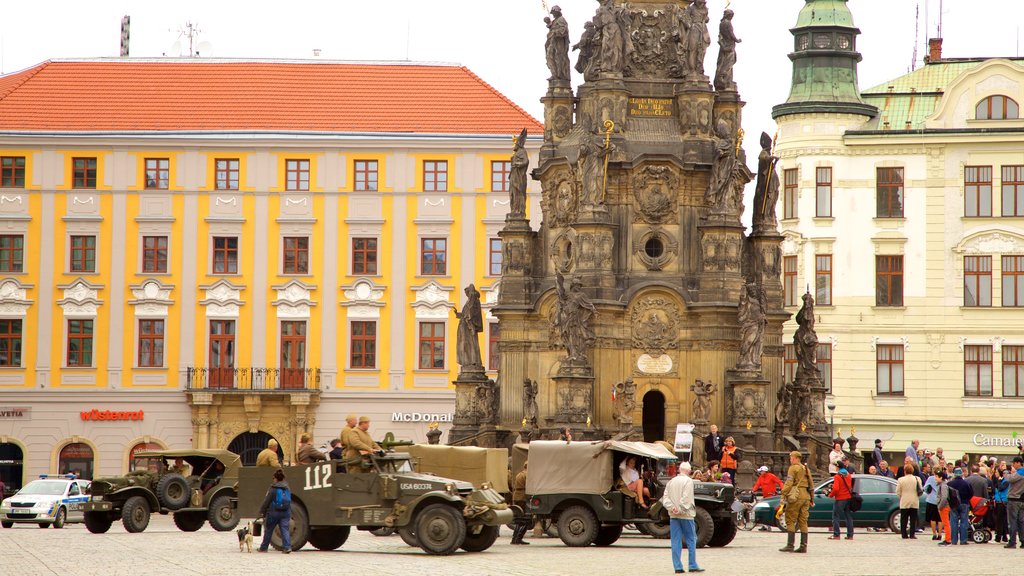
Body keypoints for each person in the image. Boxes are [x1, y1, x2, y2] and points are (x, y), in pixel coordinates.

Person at [662, 461, 704, 574]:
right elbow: (686, 498)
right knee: (691, 539)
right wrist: (680, 508)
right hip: (686, 515)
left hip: (673, 515)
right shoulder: (688, 481)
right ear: (689, 471)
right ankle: (692, 564)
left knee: (675, 541)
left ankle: (677, 566)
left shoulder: (671, 481)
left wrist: (672, 508)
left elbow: (665, 498)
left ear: (679, 470)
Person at [779, 450, 813, 553]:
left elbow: (789, 483)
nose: (790, 460)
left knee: (790, 519)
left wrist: (783, 494)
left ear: (796, 458)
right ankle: (803, 545)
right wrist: (812, 498)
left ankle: (790, 545)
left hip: (796, 495)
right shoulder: (805, 468)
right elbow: (811, 484)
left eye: (791, 458)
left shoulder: (793, 468)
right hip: (806, 496)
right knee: (803, 521)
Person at [257, 469, 292, 554]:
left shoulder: (273, 488)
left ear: (275, 478)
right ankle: (287, 547)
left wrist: (262, 512)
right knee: (284, 529)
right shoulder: (287, 487)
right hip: (285, 512)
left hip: (274, 512)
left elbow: (267, 501)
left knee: (269, 529)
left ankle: (264, 547)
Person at [828, 460, 854, 540]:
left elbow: (836, 488)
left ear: (837, 467)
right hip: (848, 497)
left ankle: (836, 535)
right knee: (848, 516)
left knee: (835, 516)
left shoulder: (837, 476)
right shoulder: (848, 475)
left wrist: (830, 495)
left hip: (840, 498)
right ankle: (850, 535)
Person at [947, 468, 973, 545]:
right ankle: (963, 540)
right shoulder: (966, 483)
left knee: (953, 522)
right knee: (964, 522)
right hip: (964, 503)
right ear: (962, 474)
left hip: (953, 504)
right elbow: (971, 493)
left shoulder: (950, 483)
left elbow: (947, 495)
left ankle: (954, 540)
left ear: (954, 474)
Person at [896, 464, 922, 539]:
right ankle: (912, 534)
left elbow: (898, 491)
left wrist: (901, 496)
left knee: (904, 518)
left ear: (905, 471)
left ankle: (904, 534)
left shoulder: (900, 479)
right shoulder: (917, 479)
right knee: (913, 519)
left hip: (904, 500)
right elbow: (920, 489)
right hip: (914, 500)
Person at [1004, 456, 1024, 548]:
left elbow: (1009, 479)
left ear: (1018, 463)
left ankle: (1012, 542)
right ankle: (1023, 541)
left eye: (1014, 463)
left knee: (1012, 521)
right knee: (1021, 522)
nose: (1013, 465)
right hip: (1021, 499)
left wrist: (1005, 471)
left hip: (1013, 499)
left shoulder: (1020, 472)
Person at [511, 462, 530, 545]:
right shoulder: (527, 475)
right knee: (525, 519)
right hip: (523, 497)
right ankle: (518, 538)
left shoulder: (519, 474)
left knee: (519, 518)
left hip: (516, 496)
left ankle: (514, 538)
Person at [923, 468, 942, 540]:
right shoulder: (942, 478)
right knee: (940, 519)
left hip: (931, 500)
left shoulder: (930, 478)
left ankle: (934, 534)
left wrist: (929, 492)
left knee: (933, 518)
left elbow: (925, 488)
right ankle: (940, 534)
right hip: (940, 500)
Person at [993, 463, 1010, 543]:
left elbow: (1000, 488)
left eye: (996, 472)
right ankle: (1003, 536)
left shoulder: (1005, 481)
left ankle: (999, 537)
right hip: (998, 501)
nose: (995, 474)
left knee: (1001, 520)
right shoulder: (998, 480)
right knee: (1001, 520)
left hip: (1002, 502)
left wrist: (999, 480)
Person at [936, 471, 952, 546]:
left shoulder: (943, 485)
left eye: (936, 477)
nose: (935, 478)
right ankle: (947, 538)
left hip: (944, 506)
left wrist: (940, 506)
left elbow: (944, 497)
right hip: (944, 506)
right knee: (945, 523)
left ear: (941, 477)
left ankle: (948, 539)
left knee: (946, 523)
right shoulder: (942, 485)